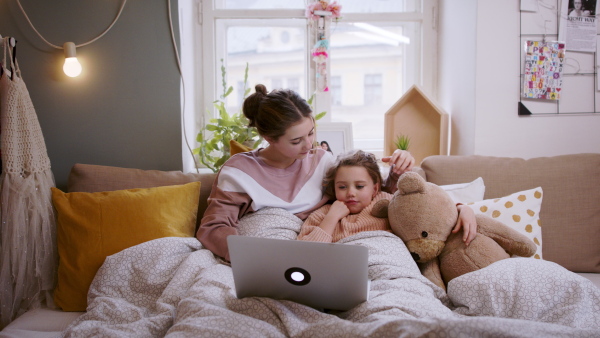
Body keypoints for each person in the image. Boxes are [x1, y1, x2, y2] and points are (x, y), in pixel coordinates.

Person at [195, 84, 477, 261]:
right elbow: (213, 228)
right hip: (262, 254)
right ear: (269, 138)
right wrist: (253, 257)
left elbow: (377, 196)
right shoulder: (240, 171)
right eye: (296, 141)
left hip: (316, 252)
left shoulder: (323, 161)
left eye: (311, 133)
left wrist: (457, 206)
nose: (309, 145)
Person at [297, 150, 392, 242]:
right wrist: (331, 218)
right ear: (334, 189)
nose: (350, 193)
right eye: (342, 187)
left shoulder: (387, 202)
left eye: (359, 186)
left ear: (375, 189)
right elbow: (305, 252)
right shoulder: (322, 214)